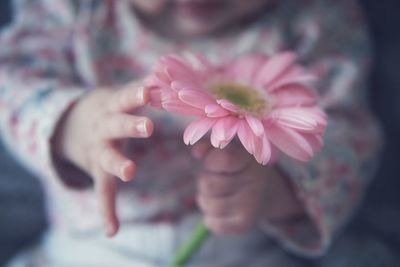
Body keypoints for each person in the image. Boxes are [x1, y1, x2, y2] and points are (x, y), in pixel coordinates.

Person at [0, 0, 382, 266]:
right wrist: (71, 124)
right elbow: (13, 84)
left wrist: (278, 190)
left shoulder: (314, 19)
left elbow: (350, 135)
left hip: (248, 254)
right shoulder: (72, 10)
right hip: (88, 251)